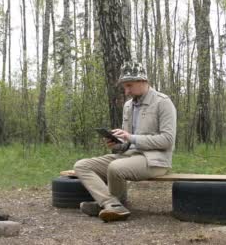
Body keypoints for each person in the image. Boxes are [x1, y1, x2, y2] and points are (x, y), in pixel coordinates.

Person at [73, 61, 177, 222]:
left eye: (129, 85)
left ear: (143, 81)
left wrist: (131, 137)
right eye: (124, 87)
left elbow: (167, 140)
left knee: (115, 167)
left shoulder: (163, 102)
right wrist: (117, 144)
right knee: (81, 165)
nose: (127, 91)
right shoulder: (129, 106)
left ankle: (111, 206)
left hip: (156, 160)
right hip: (129, 156)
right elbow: (126, 143)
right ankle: (111, 203)